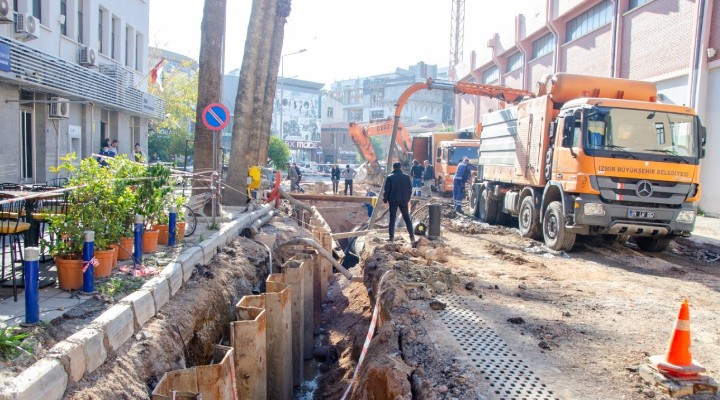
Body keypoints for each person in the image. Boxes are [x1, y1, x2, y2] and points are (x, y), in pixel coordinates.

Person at [383, 162, 415, 243]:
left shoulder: (390, 177)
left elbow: (386, 190)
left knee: (392, 219)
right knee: (407, 218)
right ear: (400, 168)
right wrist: (408, 199)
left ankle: (391, 238)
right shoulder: (406, 177)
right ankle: (412, 237)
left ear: (393, 168)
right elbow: (409, 189)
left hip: (393, 200)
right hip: (403, 200)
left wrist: (385, 201)